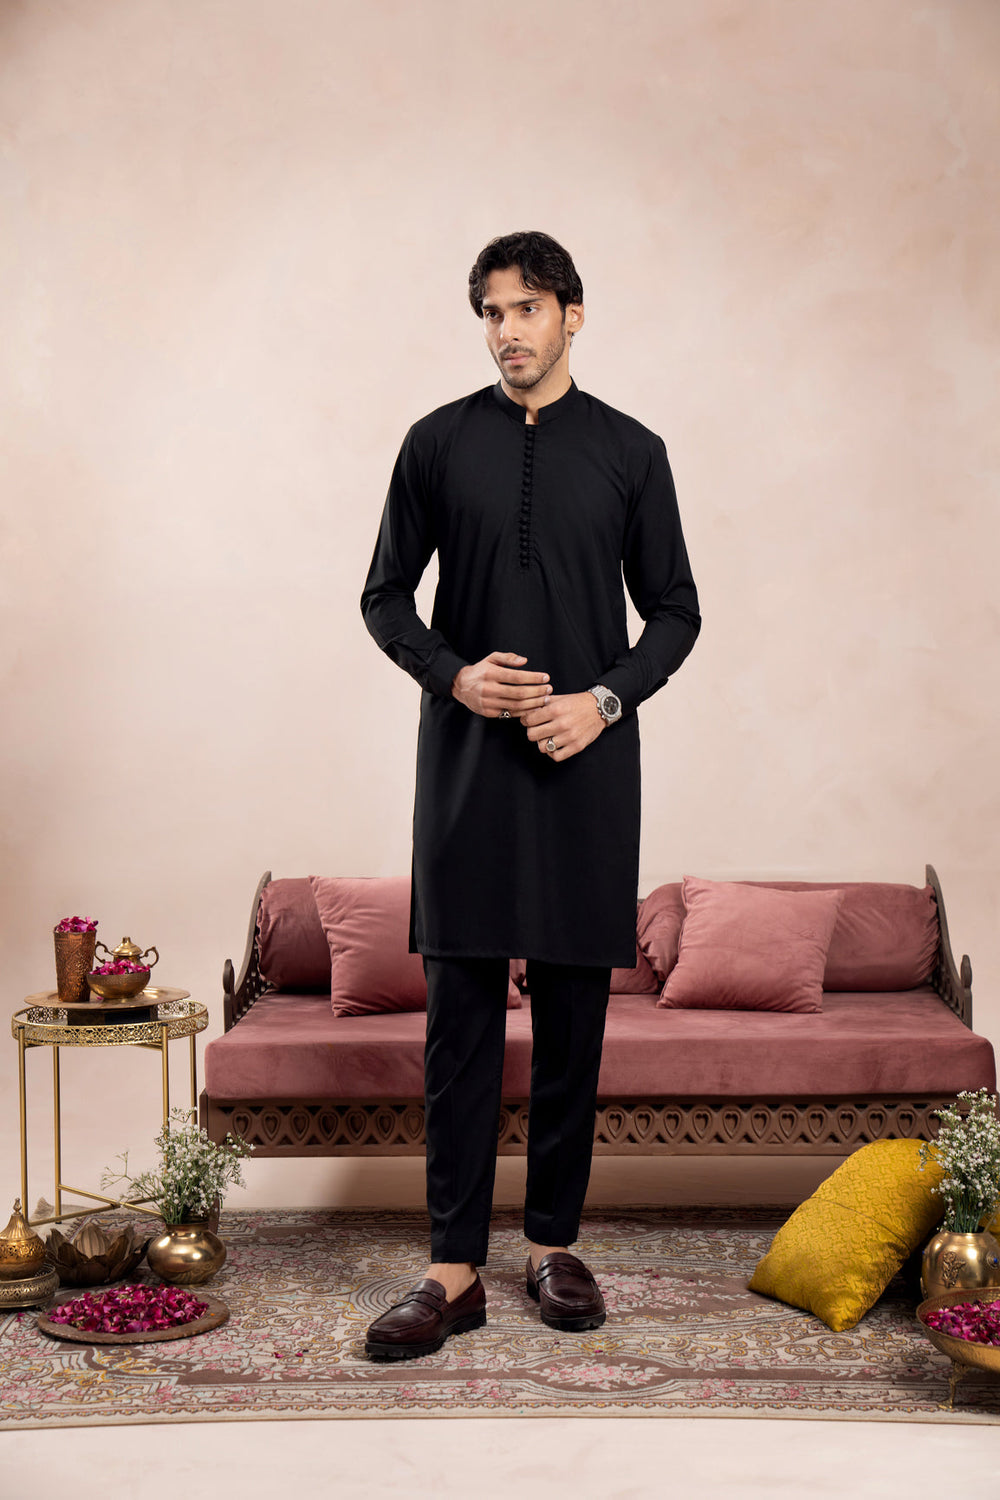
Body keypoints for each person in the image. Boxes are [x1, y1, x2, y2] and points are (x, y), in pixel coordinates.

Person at [360, 230, 700, 1361]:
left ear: (572, 315)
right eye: (492, 313)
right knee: (457, 1022)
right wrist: (454, 676)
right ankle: (451, 1270)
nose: (507, 331)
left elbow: (676, 610)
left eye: (526, 308)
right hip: (464, 766)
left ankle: (553, 1243)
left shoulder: (632, 451)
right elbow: (384, 597)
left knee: (572, 1023)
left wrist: (603, 701)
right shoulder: (435, 442)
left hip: (584, 768)